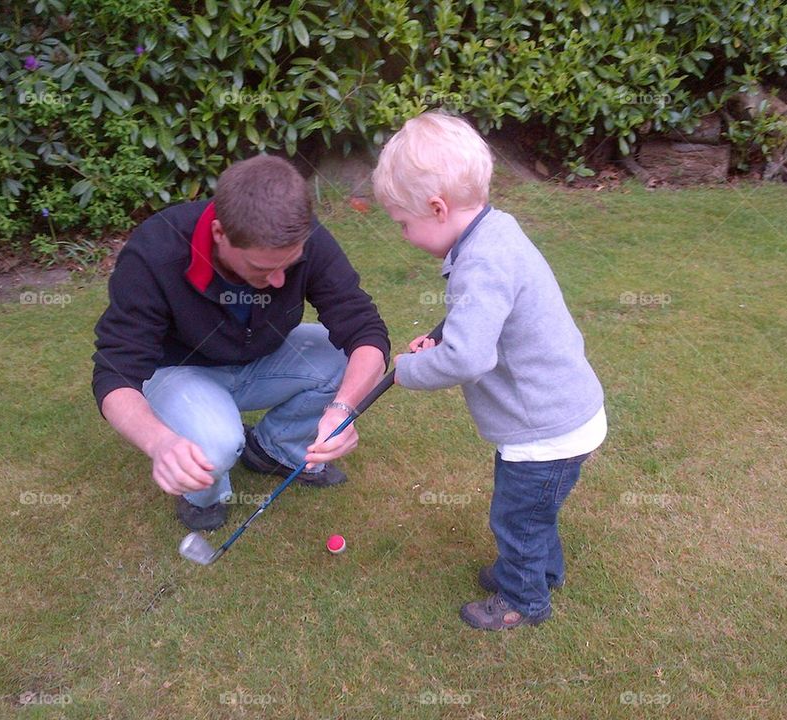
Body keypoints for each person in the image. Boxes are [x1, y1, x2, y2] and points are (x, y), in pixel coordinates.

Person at [372, 112, 607, 630]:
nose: (404, 235)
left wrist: (412, 368)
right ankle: (542, 571)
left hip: (543, 426)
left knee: (517, 517)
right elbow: (483, 321)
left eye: (403, 223)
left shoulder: (480, 262)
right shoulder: (496, 230)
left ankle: (523, 601)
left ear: (437, 209)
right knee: (533, 510)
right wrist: (443, 334)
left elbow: (469, 357)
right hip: (564, 412)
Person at [93, 155, 389, 531]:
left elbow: (366, 330)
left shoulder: (301, 237)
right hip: (180, 371)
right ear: (220, 234)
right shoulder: (155, 252)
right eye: (264, 269)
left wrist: (344, 407)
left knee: (345, 361)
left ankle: (274, 450)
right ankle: (204, 495)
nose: (281, 280)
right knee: (215, 443)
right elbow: (114, 373)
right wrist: (159, 443)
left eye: (290, 264)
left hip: (259, 359)